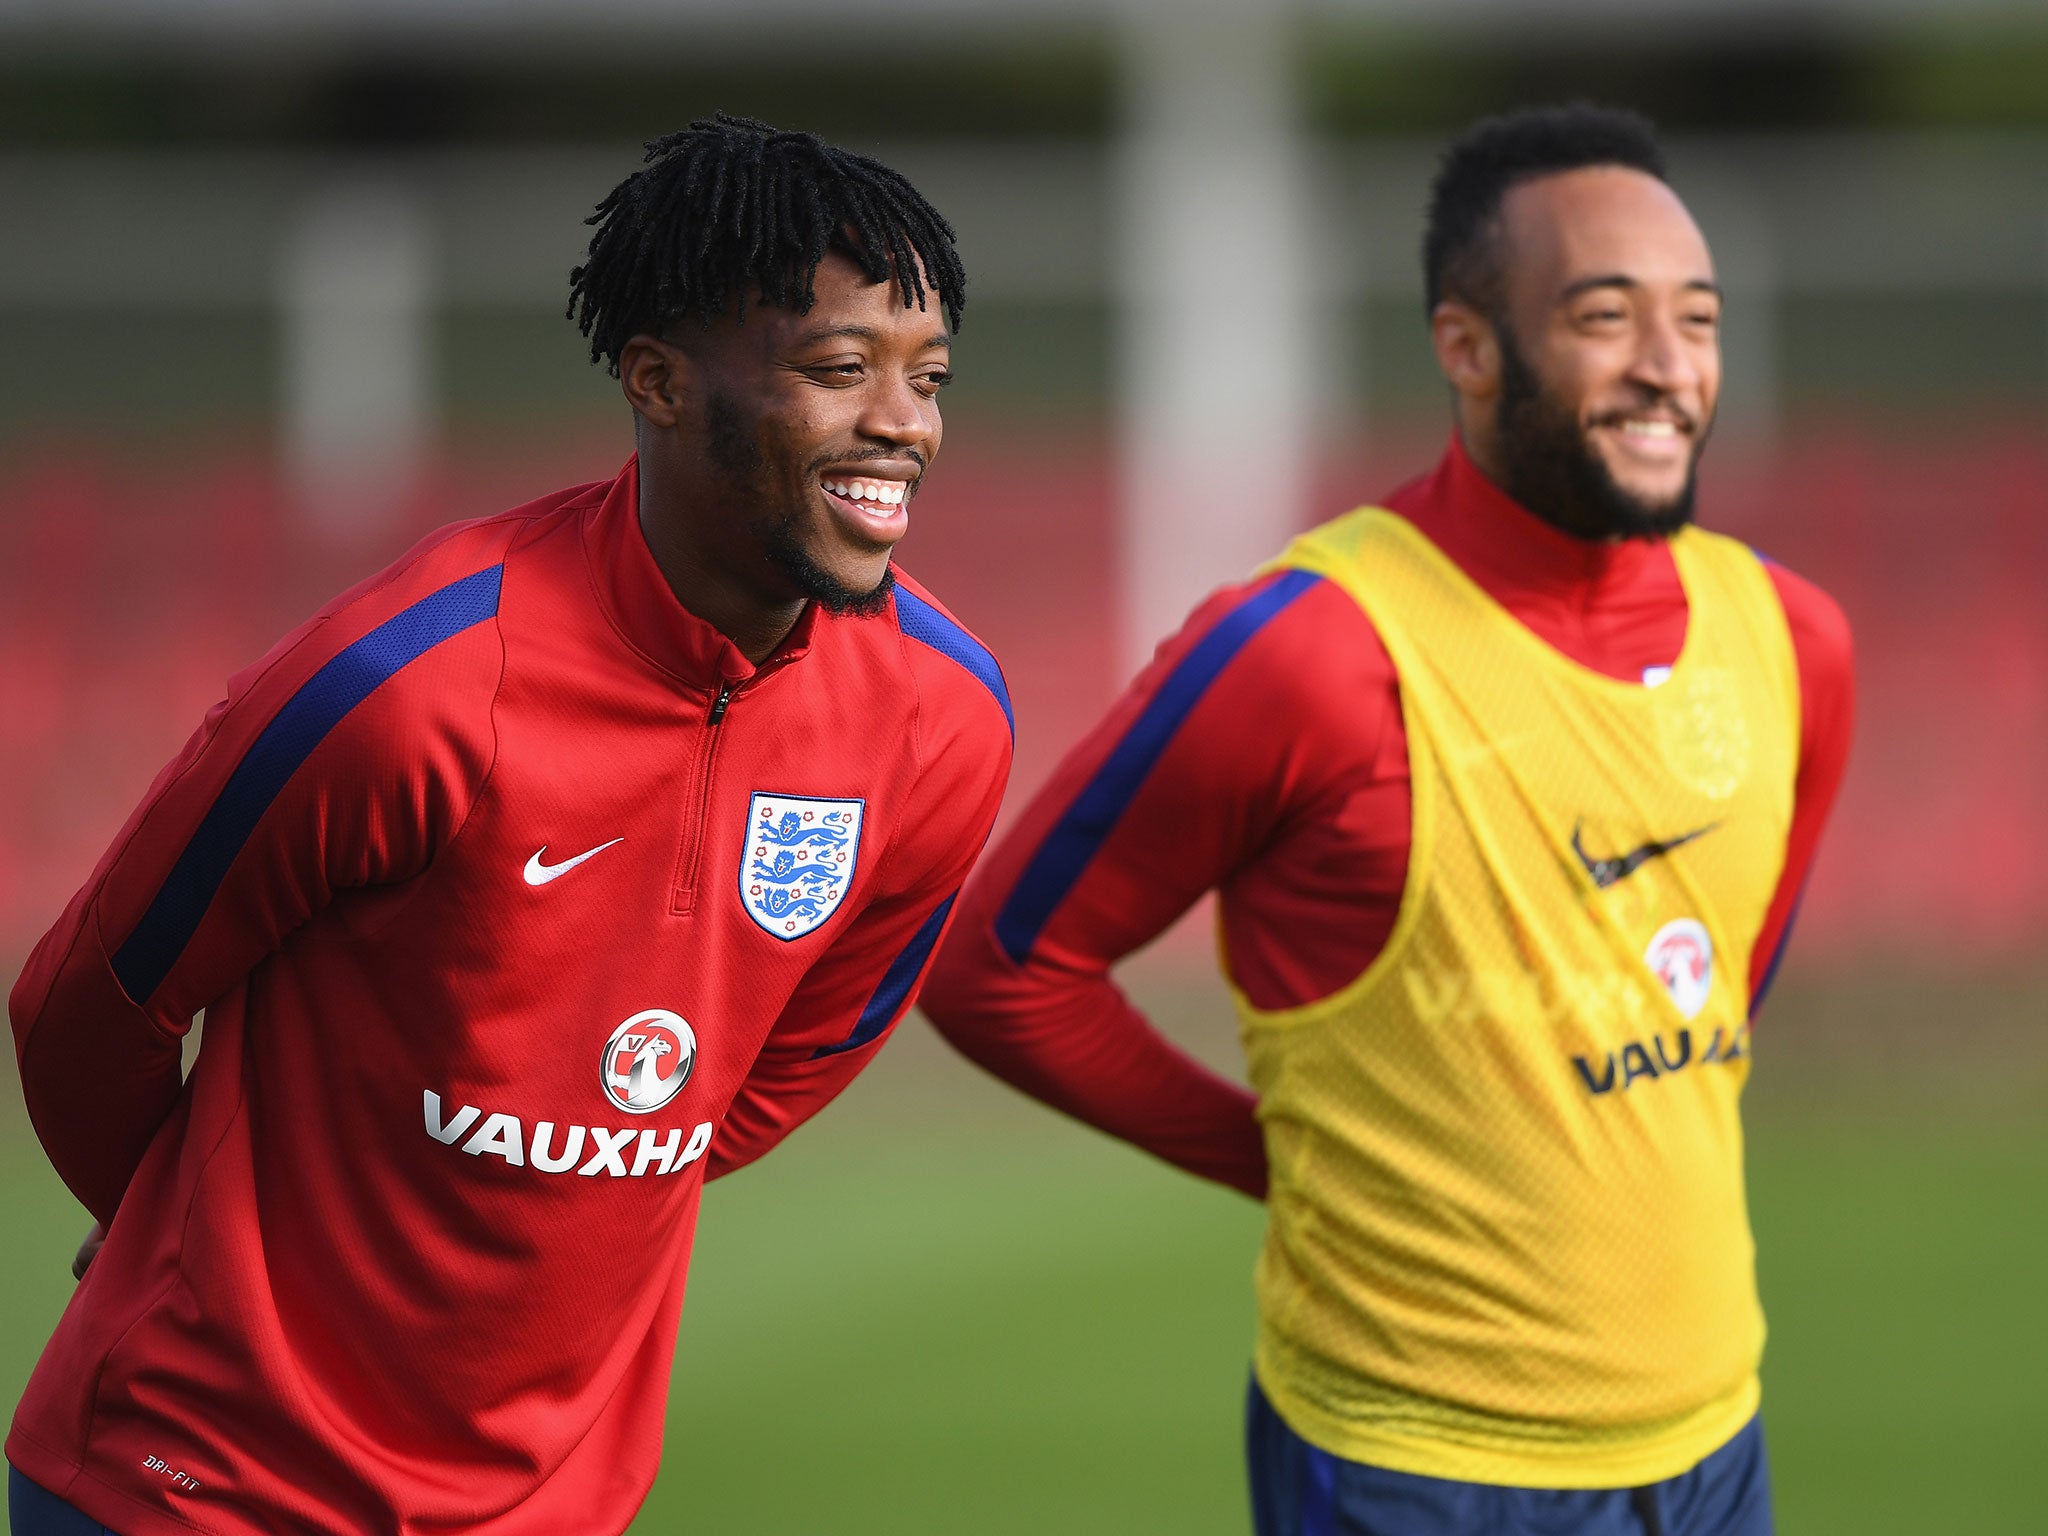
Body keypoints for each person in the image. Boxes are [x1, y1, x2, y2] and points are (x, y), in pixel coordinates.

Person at [7, 115, 1012, 1536]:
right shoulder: (406, 688)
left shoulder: (945, 721)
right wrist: (187, 1234)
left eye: (929, 379)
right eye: (841, 371)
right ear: (657, 383)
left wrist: (580, 1140)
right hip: (199, 1485)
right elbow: (83, 1004)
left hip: (549, 1506)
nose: (904, 425)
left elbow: (786, 1065)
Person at [922, 103, 1853, 1536]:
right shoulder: (1309, 650)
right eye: (1607, 318)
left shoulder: (1794, 638)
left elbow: (1727, 987)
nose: (1670, 368)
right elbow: (999, 969)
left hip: (1720, 1444)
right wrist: (1277, 1153)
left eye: (1700, 320)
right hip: (1413, 1471)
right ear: (1467, 348)